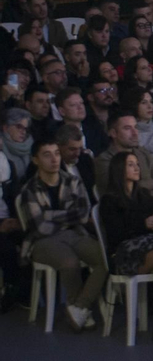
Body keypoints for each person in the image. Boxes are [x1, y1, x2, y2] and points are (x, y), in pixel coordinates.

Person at [98, 150, 153, 344]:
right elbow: (116, 235)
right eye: (131, 164)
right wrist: (144, 225)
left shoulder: (143, 195)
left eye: (137, 164)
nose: (137, 168)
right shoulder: (110, 200)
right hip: (125, 257)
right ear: (119, 169)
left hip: (148, 251)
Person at [17, 138, 105, 332]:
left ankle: (79, 306)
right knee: (69, 262)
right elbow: (39, 227)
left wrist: (50, 215)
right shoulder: (29, 190)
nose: (54, 159)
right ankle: (79, 309)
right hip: (42, 241)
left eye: (56, 153)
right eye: (47, 155)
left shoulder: (73, 181)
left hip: (74, 234)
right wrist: (67, 217)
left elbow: (82, 215)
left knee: (105, 258)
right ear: (36, 160)